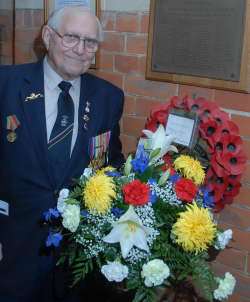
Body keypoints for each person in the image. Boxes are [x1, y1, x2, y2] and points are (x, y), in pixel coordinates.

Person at [0, 5, 124, 302]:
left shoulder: (108, 97)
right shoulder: (6, 84)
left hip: (75, 261)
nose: (80, 49)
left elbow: (108, 165)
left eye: (90, 42)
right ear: (47, 36)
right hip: (13, 250)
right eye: (71, 37)